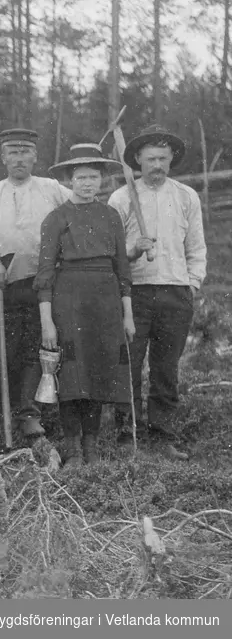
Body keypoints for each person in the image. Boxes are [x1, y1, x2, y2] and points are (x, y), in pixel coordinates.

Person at [108, 125, 206, 460]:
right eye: (150, 159)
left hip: (175, 293)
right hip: (134, 293)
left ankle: (164, 435)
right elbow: (112, 251)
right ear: (137, 159)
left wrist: (192, 283)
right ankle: (128, 433)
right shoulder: (121, 198)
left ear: (171, 160)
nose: (157, 165)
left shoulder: (185, 196)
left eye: (163, 158)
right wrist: (133, 251)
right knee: (129, 364)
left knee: (166, 368)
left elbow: (196, 247)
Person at [35, 144, 135, 467]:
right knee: (72, 375)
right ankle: (73, 447)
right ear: (69, 179)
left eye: (93, 177)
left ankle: (91, 446)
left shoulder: (111, 216)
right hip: (69, 302)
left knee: (97, 372)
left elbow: (123, 269)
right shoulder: (56, 219)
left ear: (102, 179)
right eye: (80, 177)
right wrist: (47, 321)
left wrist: (128, 315)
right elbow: (45, 274)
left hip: (105, 304)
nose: (87, 183)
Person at [0, 128, 70, 442]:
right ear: (3, 157)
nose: (19, 158)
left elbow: (76, 217)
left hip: (47, 285)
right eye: (12, 152)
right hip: (6, 285)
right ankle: (4, 417)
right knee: (7, 350)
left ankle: (32, 415)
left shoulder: (52, 189)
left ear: (35, 156)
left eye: (25, 151)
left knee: (39, 350)